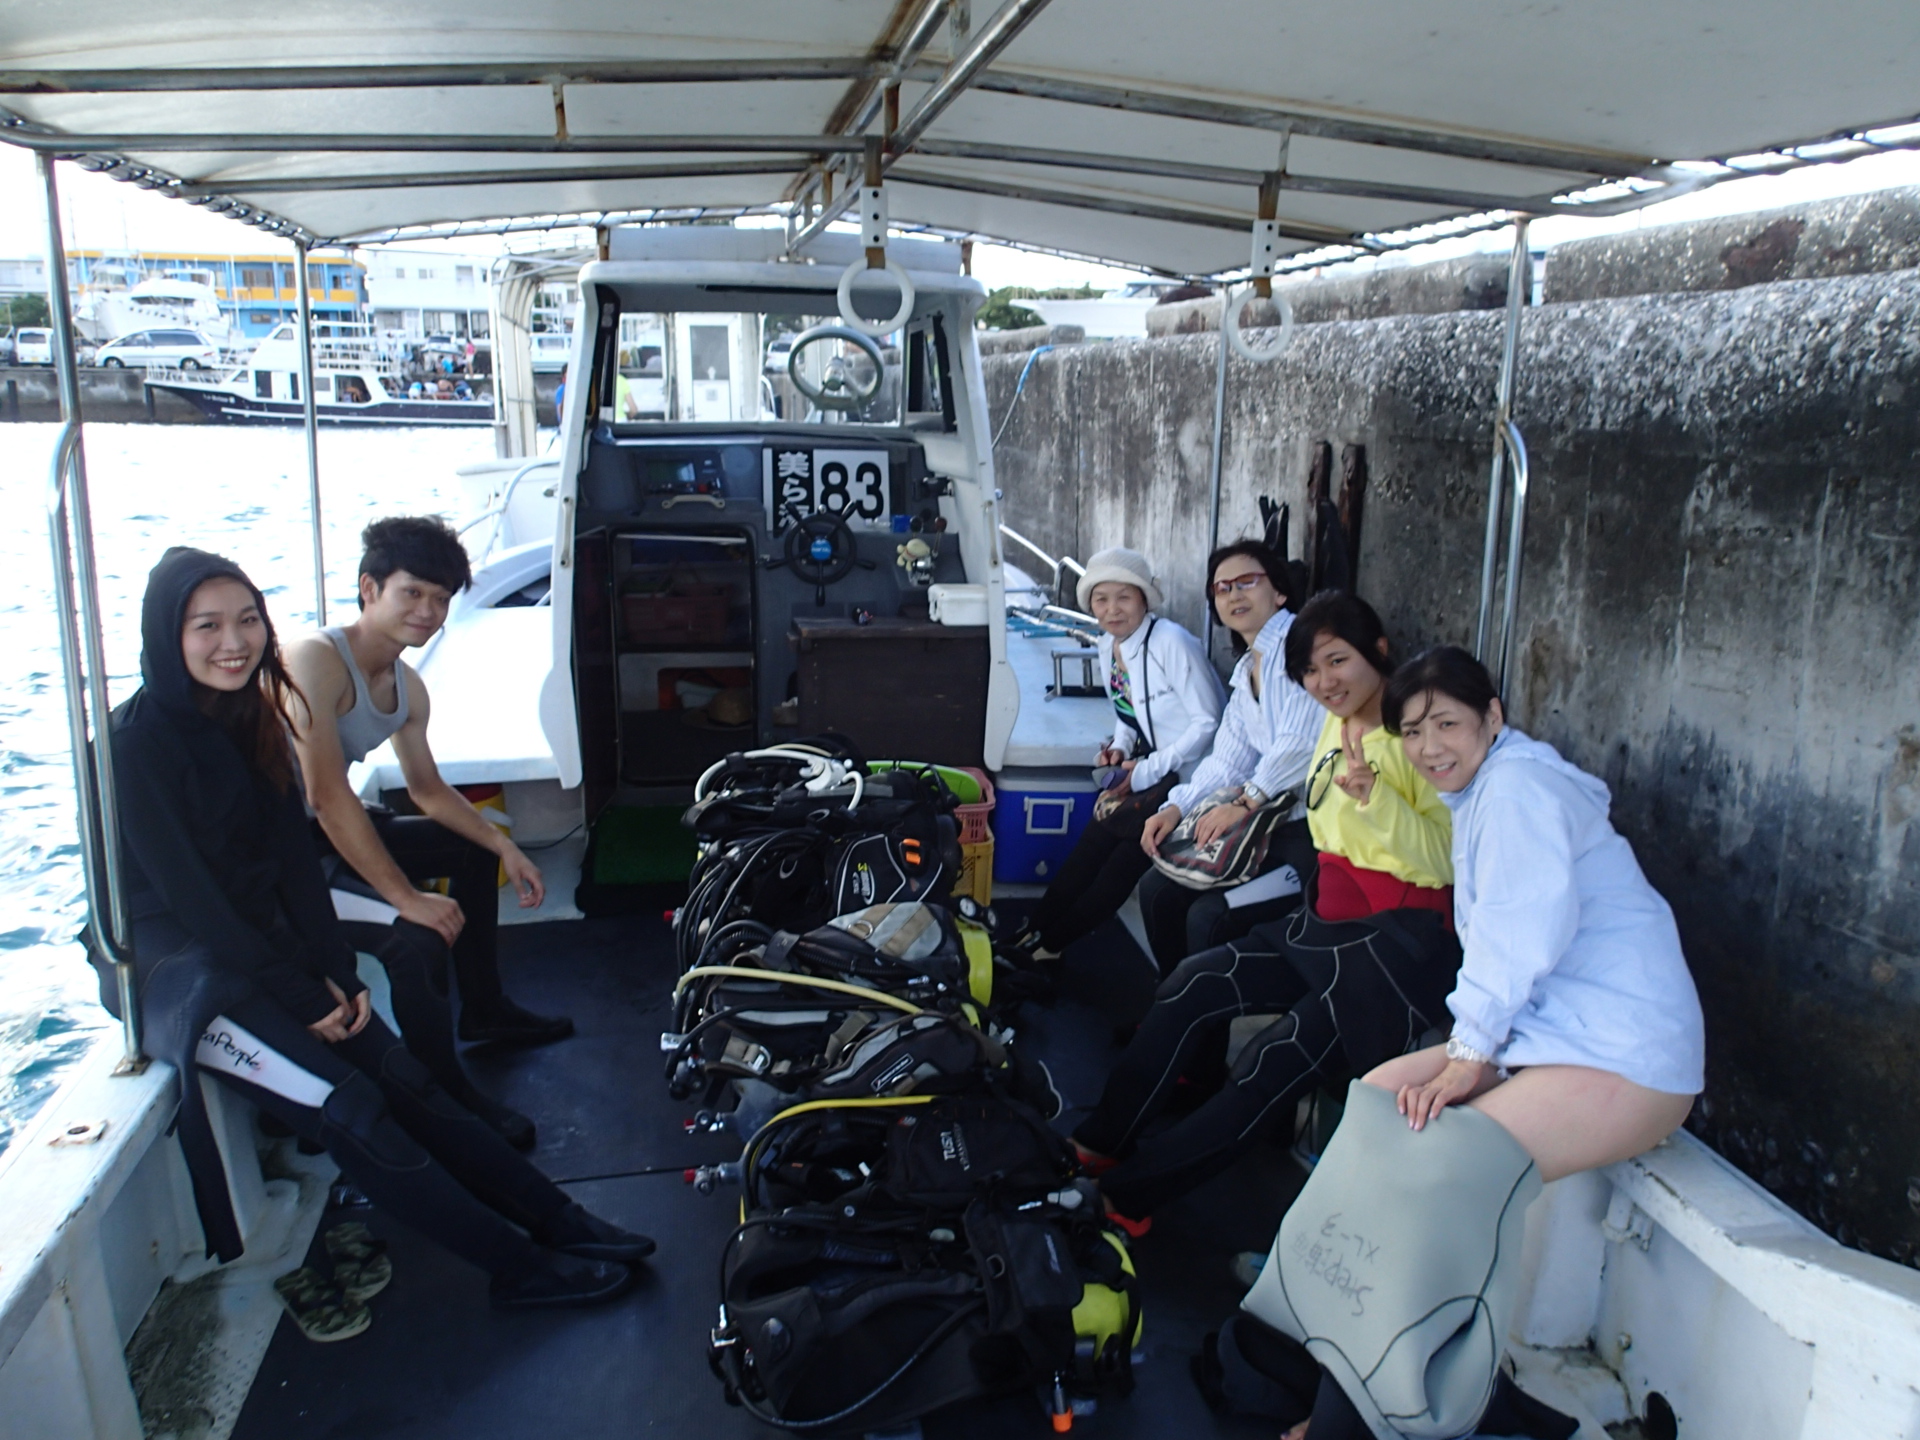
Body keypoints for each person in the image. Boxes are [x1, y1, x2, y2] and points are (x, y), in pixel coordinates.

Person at [99, 547, 652, 1318]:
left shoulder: (252, 715)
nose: (234, 642)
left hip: (259, 932)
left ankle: (560, 1219)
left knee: (402, 1075)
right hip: (183, 975)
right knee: (352, 1108)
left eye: (248, 621)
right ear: (168, 634)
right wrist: (301, 994)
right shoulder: (130, 745)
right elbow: (194, 900)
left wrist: (334, 968)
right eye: (207, 626)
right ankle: (518, 1267)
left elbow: (293, 862)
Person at [1236, 646, 1704, 1439]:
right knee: (1379, 1096)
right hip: (1548, 1036)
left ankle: (1359, 1412)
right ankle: (1328, 1302)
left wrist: (1468, 1055)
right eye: (1413, 732)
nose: (1430, 748)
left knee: (1437, 1171)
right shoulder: (1480, 793)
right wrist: (1473, 1050)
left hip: (1624, 1055)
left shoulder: (1518, 791)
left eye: (1447, 724)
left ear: (1492, 717)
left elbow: (1522, 932)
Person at [1073, 592, 1461, 1227]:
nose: (1324, 682)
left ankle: (1128, 1201)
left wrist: (1377, 801)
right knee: (1191, 984)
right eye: (1309, 669)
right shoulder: (1337, 722)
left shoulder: (1418, 736)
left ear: (1379, 651)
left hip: (1393, 949)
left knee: (1269, 1062)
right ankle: (1098, 1142)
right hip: (1326, 925)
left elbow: (1444, 861)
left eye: (1338, 661)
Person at [286, 517, 573, 1048]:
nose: (428, 611)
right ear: (369, 589)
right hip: (281, 850)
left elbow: (427, 789)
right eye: (412, 592)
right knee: (419, 936)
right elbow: (324, 794)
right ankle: (435, 1081)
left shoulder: (408, 689)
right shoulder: (315, 659)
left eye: (440, 599)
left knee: (474, 849)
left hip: (324, 832)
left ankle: (485, 1010)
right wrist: (405, 896)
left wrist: (505, 847)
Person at [1007, 547, 1223, 960]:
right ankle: (1033, 931)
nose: (1112, 609)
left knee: (1120, 866)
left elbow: (1208, 721)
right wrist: (1120, 747)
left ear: (1145, 599)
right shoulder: (1109, 646)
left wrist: (1145, 770)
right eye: (1101, 599)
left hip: (1194, 780)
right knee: (1090, 845)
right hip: (1152, 771)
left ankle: (1050, 947)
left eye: (1124, 597)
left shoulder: (1173, 642)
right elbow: (1127, 712)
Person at [1133, 541, 1323, 971]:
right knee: (1156, 890)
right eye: (1222, 588)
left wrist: (1246, 801)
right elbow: (1227, 761)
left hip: (1306, 837)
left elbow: (1301, 742)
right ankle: (1173, 1001)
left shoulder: (1303, 647)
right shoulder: (1247, 671)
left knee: (1209, 918)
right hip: (1263, 829)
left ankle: (1198, 1009)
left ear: (1279, 592)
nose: (1234, 594)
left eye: (1246, 582)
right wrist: (1178, 808)